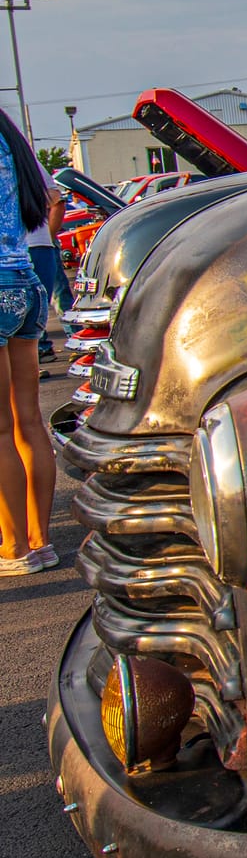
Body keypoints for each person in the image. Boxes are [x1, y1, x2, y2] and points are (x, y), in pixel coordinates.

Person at [0, 109, 56, 576]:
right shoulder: (11, 140)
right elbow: (50, 197)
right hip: (26, 282)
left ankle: (14, 549)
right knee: (28, 422)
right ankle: (42, 541)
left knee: (0, 430)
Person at [26, 162, 71, 375]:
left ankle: (72, 339)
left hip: (33, 248)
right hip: (35, 247)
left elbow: (57, 202)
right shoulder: (22, 156)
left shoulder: (22, 157)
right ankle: (38, 353)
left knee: (51, 298)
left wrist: (49, 238)